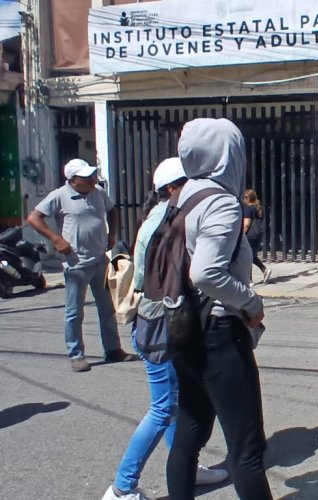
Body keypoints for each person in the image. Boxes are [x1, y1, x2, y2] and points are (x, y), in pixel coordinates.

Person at [101, 158, 228, 500]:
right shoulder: (168, 219)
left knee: (179, 403)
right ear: (173, 189)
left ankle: (186, 466)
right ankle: (122, 487)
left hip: (156, 320)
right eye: (188, 184)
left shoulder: (159, 217)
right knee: (162, 408)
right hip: (161, 323)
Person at [166, 118, 271, 500]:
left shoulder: (182, 198)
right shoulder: (223, 203)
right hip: (220, 334)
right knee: (247, 450)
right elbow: (206, 272)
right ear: (228, 153)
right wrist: (251, 302)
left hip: (184, 328)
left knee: (189, 432)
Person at [27, 158, 137, 372]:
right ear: (73, 180)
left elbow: (113, 211)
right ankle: (76, 354)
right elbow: (34, 217)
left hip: (99, 258)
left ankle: (113, 349)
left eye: (92, 176)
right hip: (76, 262)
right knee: (74, 312)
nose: (92, 180)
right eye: (87, 177)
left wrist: (112, 235)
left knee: (107, 308)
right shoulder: (60, 195)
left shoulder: (97, 193)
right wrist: (56, 239)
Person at [242, 189, 271, 285]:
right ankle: (264, 270)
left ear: (247, 198)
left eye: (244, 197)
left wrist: (242, 235)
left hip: (249, 235)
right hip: (257, 235)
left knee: (247, 256)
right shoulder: (258, 208)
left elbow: (246, 223)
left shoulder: (248, 208)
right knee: (252, 255)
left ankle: (249, 279)